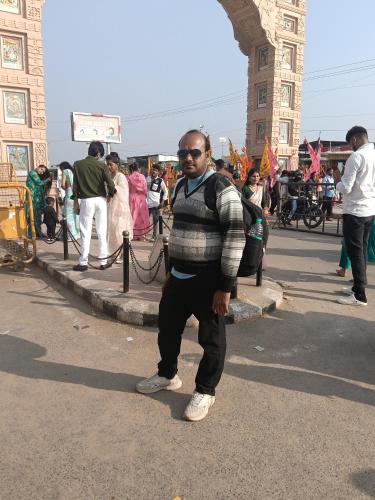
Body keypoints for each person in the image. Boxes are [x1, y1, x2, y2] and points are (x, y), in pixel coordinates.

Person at [136, 130, 245, 422]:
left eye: (194, 152)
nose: (187, 157)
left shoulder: (222, 188)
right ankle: (167, 374)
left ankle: (205, 391)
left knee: (212, 340)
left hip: (208, 280)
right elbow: (180, 232)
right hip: (178, 277)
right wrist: (170, 274)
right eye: (182, 152)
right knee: (167, 331)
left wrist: (225, 287)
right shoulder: (180, 185)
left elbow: (235, 237)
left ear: (207, 155)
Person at [336, 126, 375, 306]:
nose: (350, 146)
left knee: (355, 252)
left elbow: (346, 187)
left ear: (355, 139)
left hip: (355, 210)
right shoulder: (373, 153)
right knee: (362, 250)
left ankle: (359, 295)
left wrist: (338, 183)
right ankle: (357, 287)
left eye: (350, 142)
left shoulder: (356, 157)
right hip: (369, 210)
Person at [72, 141, 116, 272]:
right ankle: (103, 261)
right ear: (98, 153)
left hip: (86, 201)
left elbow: (75, 187)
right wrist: (110, 195)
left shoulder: (78, 165)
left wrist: (76, 203)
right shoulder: (102, 165)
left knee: (85, 231)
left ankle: (83, 262)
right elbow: (110, 184)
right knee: (102, 231)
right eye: (100, 155)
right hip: (101, 200)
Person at [106, 153, 133, 262]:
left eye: (110, 164)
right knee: (112, 231)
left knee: (119, 231)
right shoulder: (109, 176)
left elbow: (123, 191)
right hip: (111, 207)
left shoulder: (120, 176)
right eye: (107, 165)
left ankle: (121, 254)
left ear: (117, 164)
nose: (108, 167)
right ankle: (113, 252)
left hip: (120, 208)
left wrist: (113, 188)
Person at [127, 163, 149, 241]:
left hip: (132, 198)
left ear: (131, 169)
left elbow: (127, 189)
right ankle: (142, 235)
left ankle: (133, 234)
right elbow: (145, 189)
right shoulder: (142, 177)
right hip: (142, 199)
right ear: (138, 169)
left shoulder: (129, 178)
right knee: (142, 217)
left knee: (133, 215)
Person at [59, 161, 80, 241]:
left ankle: (69, 236)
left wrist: (65, 188)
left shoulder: (65, 171)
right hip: (75, 197)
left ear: (62, 167)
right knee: (74, 215)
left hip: (69, 196)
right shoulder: (73, 172)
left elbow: (62, 185)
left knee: (67, 215)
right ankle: (76, 234)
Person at [146, 165, 168, 241]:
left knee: (155, 221)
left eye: (155, 170)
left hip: (155, 204)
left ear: (158, 172)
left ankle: (154, 236)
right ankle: (145, 234)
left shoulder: (160, 180)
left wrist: (162, 202)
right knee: (146, 220)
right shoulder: (147, 178)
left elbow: (166, 192)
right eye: (152, 170)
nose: (153, 171)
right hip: (146, 204)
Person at [26, 165, 47, 237]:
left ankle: (38, 232)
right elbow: (39, 182)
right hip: (32, 198)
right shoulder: (32, 173)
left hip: (37, 198)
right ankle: (31, 233)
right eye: (41, 169)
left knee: (37, 215)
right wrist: (47, 180)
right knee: (32, 215)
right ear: (38, 167)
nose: (41, 172)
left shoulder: (36, 174)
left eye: (43, 172)